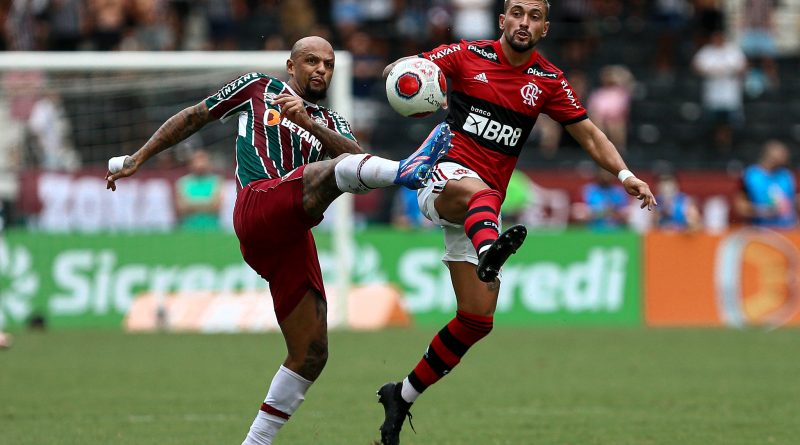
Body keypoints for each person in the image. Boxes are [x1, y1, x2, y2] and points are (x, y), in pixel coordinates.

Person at [104, 36, 453, 445]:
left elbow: (356, 164)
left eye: (327, 63)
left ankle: (254, 443)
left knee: (312, 353)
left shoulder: (331, 121)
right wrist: (138, 158)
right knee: (335, 170)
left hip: (291, 233)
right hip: (257, 205)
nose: (320, 69)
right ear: (291, 66)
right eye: (310, 61)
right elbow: (194, 116)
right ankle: (406, 171)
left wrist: (309, 122)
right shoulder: (258, 87)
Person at [375, 2, 656, 444]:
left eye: (534, 16)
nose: (524, 22)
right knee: (480, 191)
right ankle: (490, 249)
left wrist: (625, 174)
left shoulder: (548, 81)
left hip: (481, 210)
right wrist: (402, 70)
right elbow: (409, 70)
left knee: (476, 320)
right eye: (517, 13)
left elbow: (591, 135)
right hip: (443, 179)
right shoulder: (466, 55)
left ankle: (402, 394)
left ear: (545, 27)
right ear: (502, 19)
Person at [692, 29, 746, 151]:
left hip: (730, 96)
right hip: (712, 96)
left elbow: (743, 67)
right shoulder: (707, 51)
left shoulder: (733, 51)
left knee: (729, 122)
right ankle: (715, 145)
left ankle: (727, 144)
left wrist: (728, 71)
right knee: (713, 123)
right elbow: (696, 66)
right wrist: (712, 71)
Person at [734, 140, 798, 229]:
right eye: (782, 153)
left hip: (788, 229)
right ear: (769, 155)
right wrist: (763, 211)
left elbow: (795, 200)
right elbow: (741, 207)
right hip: (761, 231)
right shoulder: (750, 175)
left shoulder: (787, 175)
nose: (786, 156)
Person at [174, 149, 223, 230]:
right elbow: (181, 209)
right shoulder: (183, 182)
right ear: (191, 163)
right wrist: (207, 204)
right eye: (197, 161)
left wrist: (191, 205)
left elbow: (215, 207)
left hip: (212, 230)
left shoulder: (216, 181)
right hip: (188, 230)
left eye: (203, 160)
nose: (200, 164)